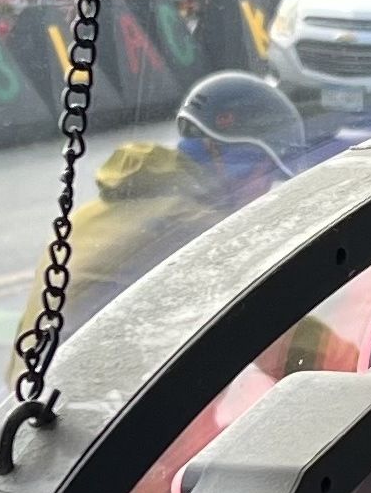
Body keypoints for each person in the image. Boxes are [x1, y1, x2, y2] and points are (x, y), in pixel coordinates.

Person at [19, 73, 309, 344]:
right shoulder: (198, 228)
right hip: (86, 393)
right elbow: (273, 325)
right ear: (233, 161)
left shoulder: (121, 203)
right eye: (266, 172)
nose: (265, 189)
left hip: (32, 390)